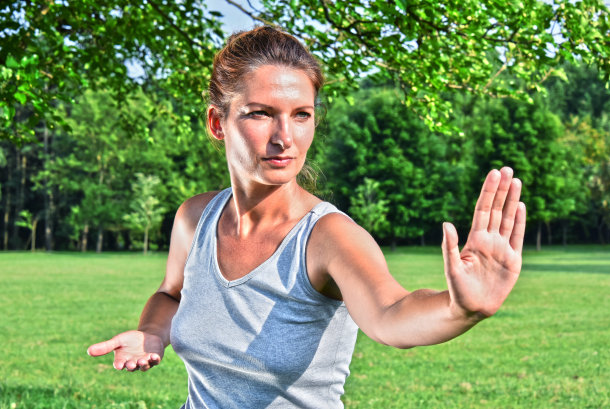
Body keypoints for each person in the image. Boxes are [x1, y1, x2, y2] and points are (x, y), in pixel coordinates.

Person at [88, 26, 526, 409]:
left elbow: (391, 312)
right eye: (261, 113)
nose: (285, 138)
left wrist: (459, 309)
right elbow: (171, 295)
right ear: (217, 123)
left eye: (302, 115)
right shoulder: (195, 218)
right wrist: (151, 332)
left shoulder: (328, 238)